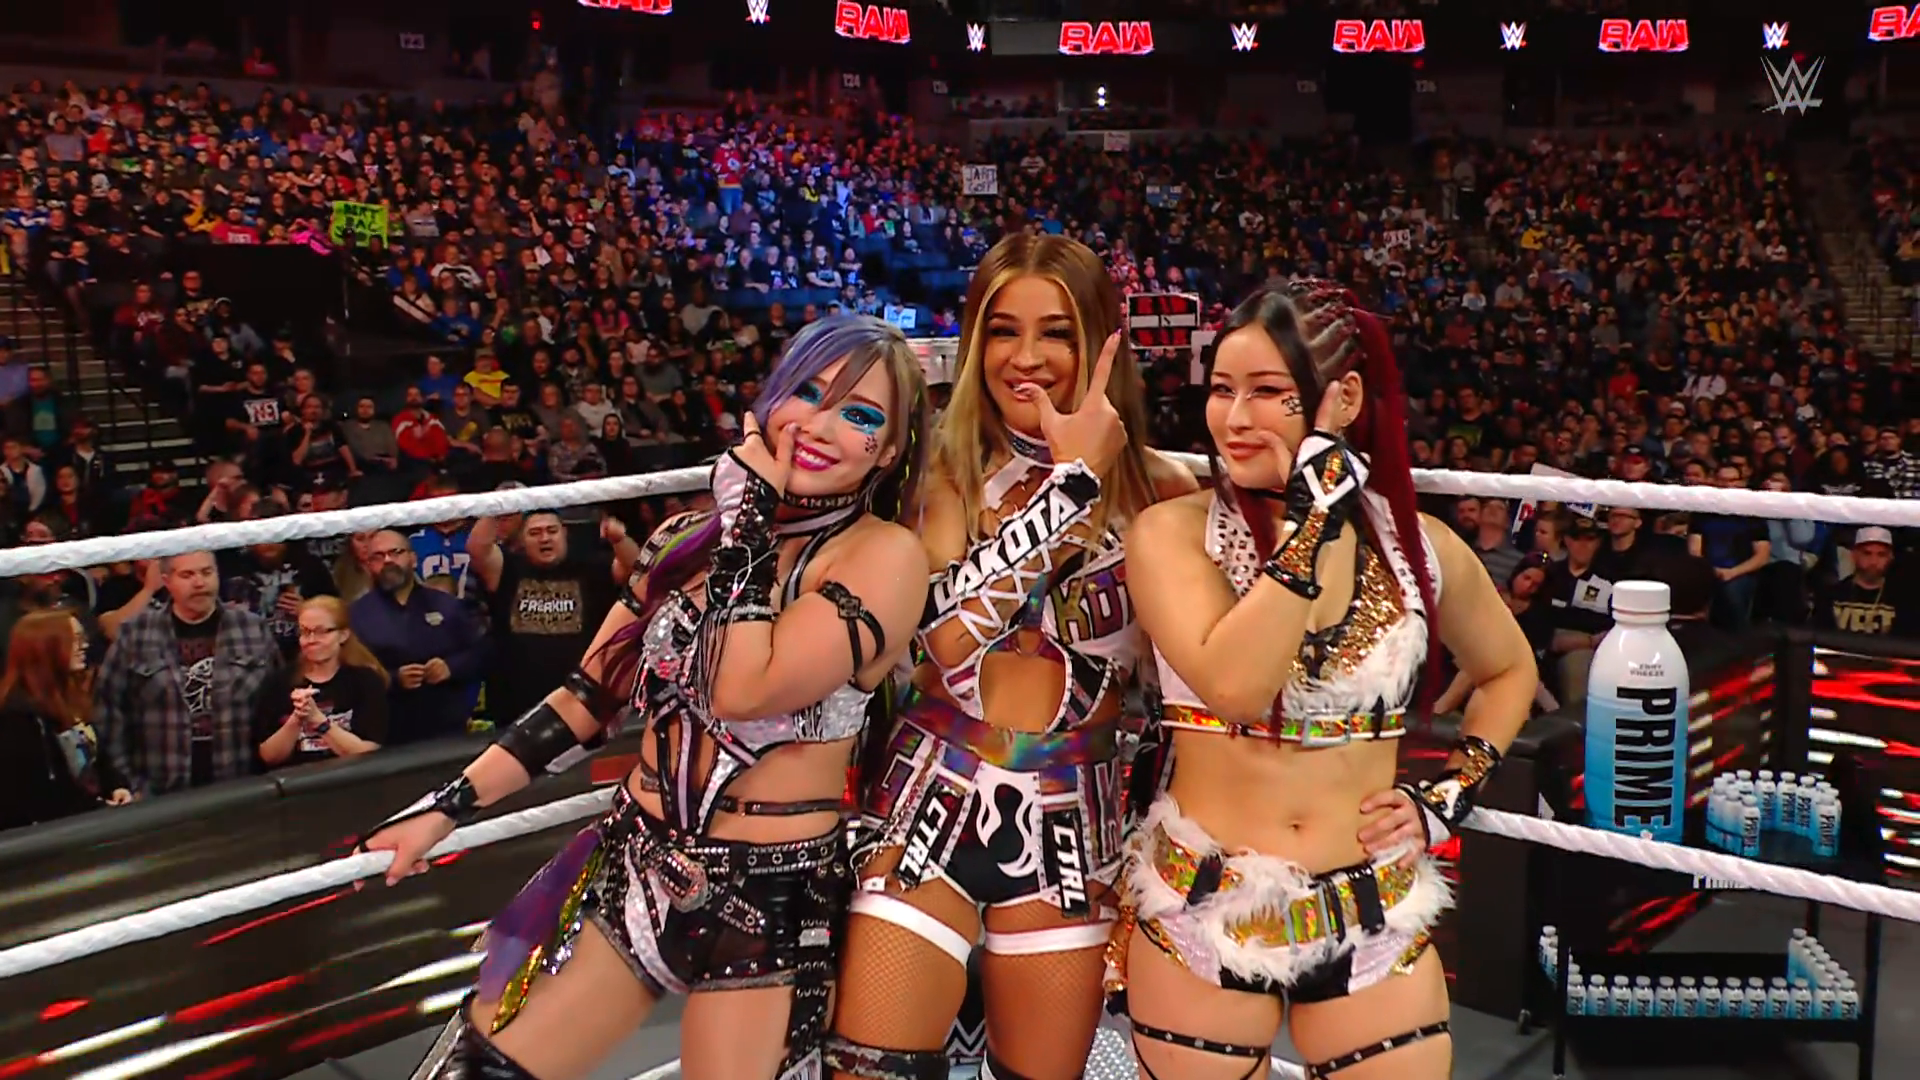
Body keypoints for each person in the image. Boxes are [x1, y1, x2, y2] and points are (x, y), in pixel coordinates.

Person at [360, 315, 932, 1080]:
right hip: (636, 862)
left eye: (859, 415)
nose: (820, 426)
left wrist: (749, 523)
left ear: (887, 451)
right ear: (768, 403)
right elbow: (586, 698)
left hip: (773, 896)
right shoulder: (681, 541)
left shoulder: (886, 558)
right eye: (807, 392)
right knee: (482, 1067)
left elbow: (743, 687)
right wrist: (444, 808)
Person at [1113, 281, 1537, 1080]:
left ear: (1343, 399)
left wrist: (1447, 795)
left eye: (1268, 392)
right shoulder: (1172, 534)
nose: (1236, 418)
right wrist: (1311, 526)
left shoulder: (1421, 547)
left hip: (1372, 910)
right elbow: (1236, 686)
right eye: (1222, 390)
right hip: (1203, 904)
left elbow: (1510, 669)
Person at [827, 233, 1197, 1080]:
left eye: (1056, 333)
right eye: (1003, 330)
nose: (1026, 358)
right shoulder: (936, 476)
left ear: (1102, 343)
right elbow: (945, 640)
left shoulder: (1165, 493)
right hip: (926, 805)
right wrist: (1071, 489)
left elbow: (1191, 689)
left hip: (1077, 828)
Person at [92, 551, 283, 794]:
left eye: (207, 572)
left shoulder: (252, 629)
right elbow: (108, 712)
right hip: (159, 791)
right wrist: (126, 782)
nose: (199, 582)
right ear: (166, 581)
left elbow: (279, 702)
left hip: (243, 785)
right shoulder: (136, 634)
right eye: (187, 575)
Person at [0, 610, 132, 829]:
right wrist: (98, 807)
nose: (84, 646)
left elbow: (98, 758)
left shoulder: (71, 697)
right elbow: (40, 793)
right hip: (48, 835)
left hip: (92, 820)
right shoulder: (17, 716)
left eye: (82, 638)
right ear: (46, 648)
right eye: (74, 640)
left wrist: (116, 786)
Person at [253, 597, 389, 768]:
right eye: (305, 632)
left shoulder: (366, 681)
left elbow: (368, 752)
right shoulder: (278, 682)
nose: (311, 640)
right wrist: (297, 718)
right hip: (298, 780)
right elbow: (268, 756)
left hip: (351, 777)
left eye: (321, 632)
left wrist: (319, 721)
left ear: (343, 635)